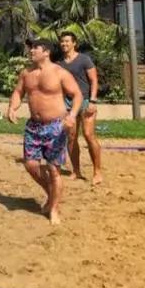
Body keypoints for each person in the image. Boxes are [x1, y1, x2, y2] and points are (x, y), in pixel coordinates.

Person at [6, 39, 82, 225]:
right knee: (30, 165)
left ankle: (54, 208)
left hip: (55, 126)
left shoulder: (59, 73)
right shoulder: (26, 73)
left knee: (54, 170)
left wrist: (72, 115)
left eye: (35, 48)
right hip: (33, 127)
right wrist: (12, 107)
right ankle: (51, 192)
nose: (31, 51)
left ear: (46, 52)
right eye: (31, 48)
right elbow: (18, 92)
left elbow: (77, 95)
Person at [57, 31, 103, 185]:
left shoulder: (84, 59)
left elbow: (94, 80)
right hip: (68, 104)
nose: (64, 44)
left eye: (67, 41)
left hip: (85, 101)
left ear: (74, 43)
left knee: (89, 135)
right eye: (62, 41)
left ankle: (97, 172)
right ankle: (76, 171)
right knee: (71, 138)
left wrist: (93, 101)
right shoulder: (59, 64)